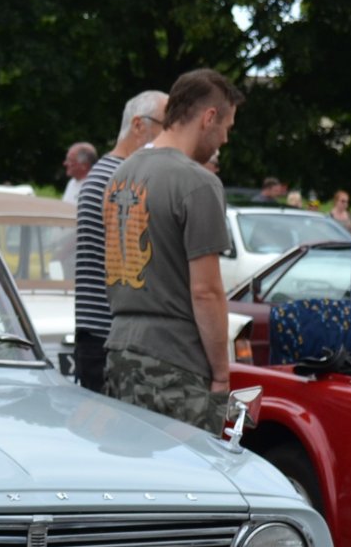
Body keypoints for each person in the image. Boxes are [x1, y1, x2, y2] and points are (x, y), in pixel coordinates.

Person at [103, 68, 244, 432]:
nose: (225, 140)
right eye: (226, 127)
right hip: (174, 365)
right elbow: (206, 291)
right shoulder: (199, 182)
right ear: (208, 117)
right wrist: (221, 377)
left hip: (119, 351)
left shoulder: (120, 174)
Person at [72, 88, 168, 394]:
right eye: (166, 125)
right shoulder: (122, 180)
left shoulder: (104, 174)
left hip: (100, 336)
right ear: (139, 125)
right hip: (110, 338)